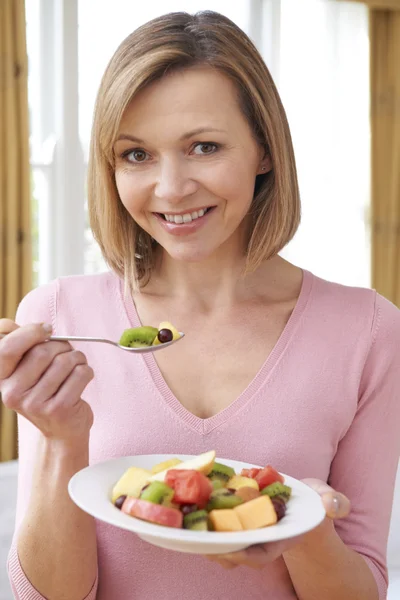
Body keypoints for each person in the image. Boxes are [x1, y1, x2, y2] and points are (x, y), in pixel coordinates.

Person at [1, 10, 399, 600]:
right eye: (136, 155)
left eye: (204, 147)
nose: (170, 188)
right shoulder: (61, 318)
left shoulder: (368, 330)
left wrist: (306, 530)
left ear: (264, 150)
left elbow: (364, 587)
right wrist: (64, 438)